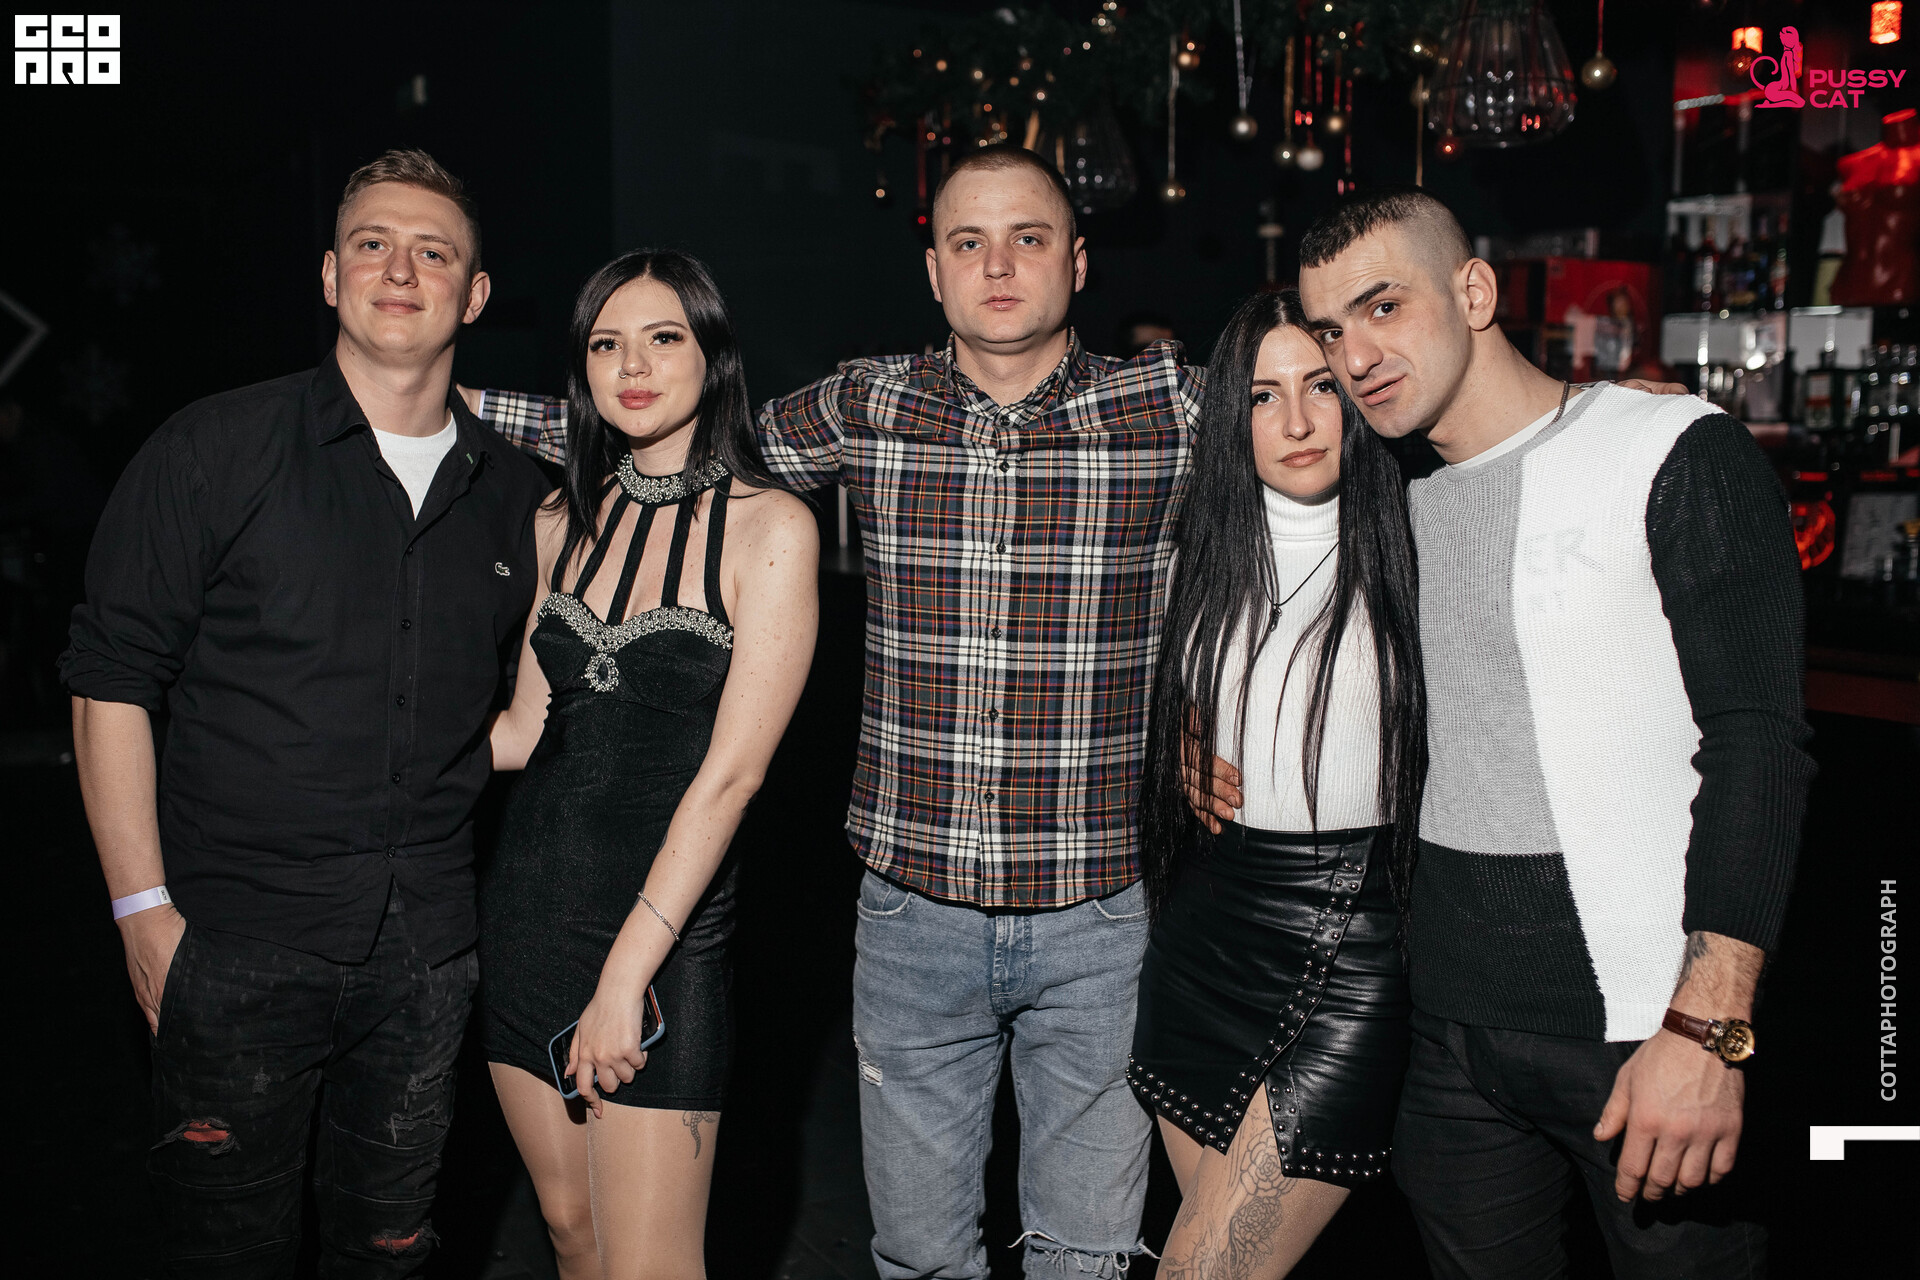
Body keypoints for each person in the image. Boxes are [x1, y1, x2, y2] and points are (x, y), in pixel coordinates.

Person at [476, 143, 1200, 1279]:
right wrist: (429, 397)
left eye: (1028, 238)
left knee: (1086, 1255)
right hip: (912, 914)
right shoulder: (872, 401)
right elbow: (677, 428)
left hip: (1097, 912)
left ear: (1078, 258)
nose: (997, 265)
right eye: (967, 241)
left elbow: (1293, 531)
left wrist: (1218, 713)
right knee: (918, 1255)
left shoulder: (1172, 406)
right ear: (933, 269)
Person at [1183, 187, 1809, 1276]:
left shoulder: (1671, 449)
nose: (1356, 356)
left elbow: (1760, 742)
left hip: (1643, 1027)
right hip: (1444, 1036)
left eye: (1384, 306)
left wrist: (1707, 1030)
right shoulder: (1389, 496)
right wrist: (1196, 730)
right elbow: (1255, 592)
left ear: (1473, 290)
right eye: (1332, 330)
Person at [60, 149, 549, 1276]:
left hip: (426, 956)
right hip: (232, 948)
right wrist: (142, 914)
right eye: (372, 244)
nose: (400, 270)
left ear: (474, 295)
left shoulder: (518, 494)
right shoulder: (214, 449)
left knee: (390, 1255)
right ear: (330, 276)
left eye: (433, 252)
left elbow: (504, 717)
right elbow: (110, 680)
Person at [478, 249, 817, 1279]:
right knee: (571, 1234)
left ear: (713, 355)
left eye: (663, 338)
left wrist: (627, 973)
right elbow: (522, 731)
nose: (632, 365)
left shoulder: (770, 527)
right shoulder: (561, 521)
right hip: (527, 916)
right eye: (605, 344)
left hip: (661, 944)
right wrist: (356, 732)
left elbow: (733, 779)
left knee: (651, 1267)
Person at [1133, 288, 1425, 1279]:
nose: (1296, 420)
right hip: (1204, 939)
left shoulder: (1422, 540)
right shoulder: (1196, 557)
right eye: (1263, 396)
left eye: (1321, 386)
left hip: (1349, 956)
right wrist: (1181, 738)